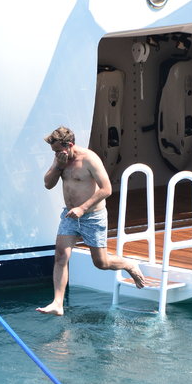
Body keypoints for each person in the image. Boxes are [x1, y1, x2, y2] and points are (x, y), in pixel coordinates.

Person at [36, 126, 145, 316]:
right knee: (61, 256)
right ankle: (57, 303)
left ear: (70, 145)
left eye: (58, 150)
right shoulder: (60, 158)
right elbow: (47, 184)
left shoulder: (89, 159)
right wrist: (58, 166)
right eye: (54, 151)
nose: (55, 154)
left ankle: (129, 264)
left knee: (101, 263)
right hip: (70, 216)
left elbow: (106, 189)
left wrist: (82, 208)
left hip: (92, 216)